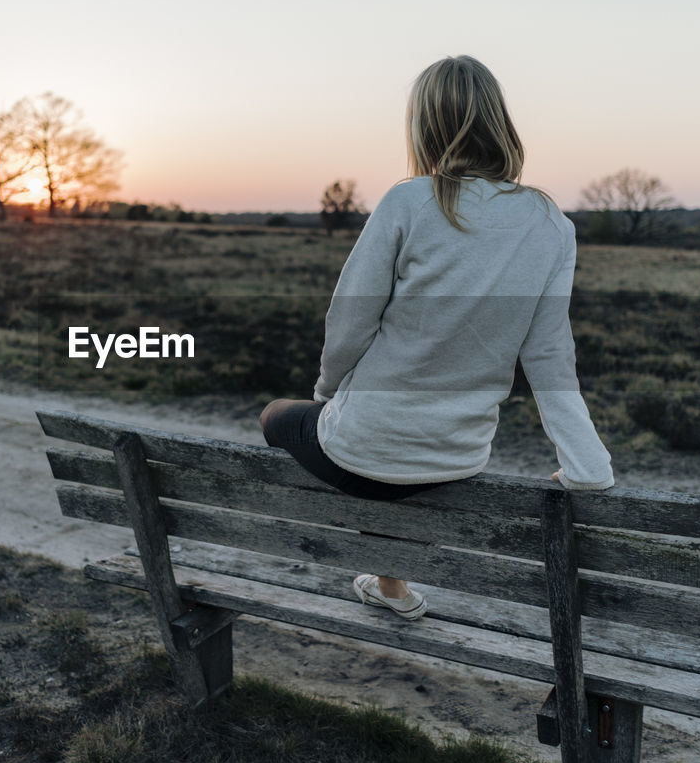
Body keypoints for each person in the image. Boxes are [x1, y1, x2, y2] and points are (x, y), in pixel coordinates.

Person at [259, 55, 614, 621]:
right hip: (457, 456)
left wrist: (327, 392)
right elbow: (549, 356)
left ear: (424, 127)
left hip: (361, 447)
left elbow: (351, 322)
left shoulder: (408, 201)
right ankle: (392, 588)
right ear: (500, 124)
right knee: (395, 468)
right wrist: (587, 465)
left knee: (279, 414)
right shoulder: (551, 225)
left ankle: (381, 573)